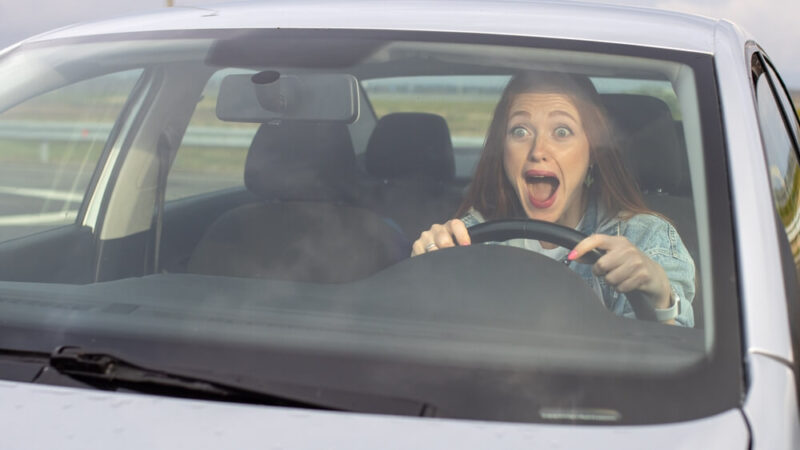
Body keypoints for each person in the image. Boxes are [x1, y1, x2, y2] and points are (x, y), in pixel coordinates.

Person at [411, 72, 695, 327]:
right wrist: (423, 272)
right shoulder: (472, 238)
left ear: (593, 151)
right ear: (503, 150)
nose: (538, 150)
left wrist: (659, 297)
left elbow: (665, 369)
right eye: (520, 131)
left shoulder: (645, 238)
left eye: (562, 131)